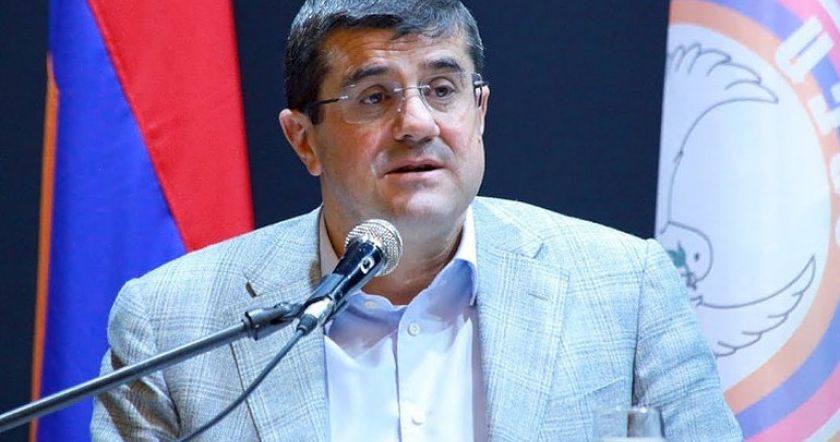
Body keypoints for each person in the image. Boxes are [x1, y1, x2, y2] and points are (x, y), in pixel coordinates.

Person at [91, 0, 743, 440]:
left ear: (479, 113)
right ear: (303, 140)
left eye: (442, 89)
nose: (416, 124)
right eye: (375, 97)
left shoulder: (627, 288)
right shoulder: (173, 322)